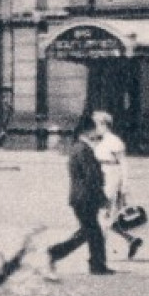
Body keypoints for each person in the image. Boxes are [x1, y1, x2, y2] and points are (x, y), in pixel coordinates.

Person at [48, 115, 114, 276]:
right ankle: (96, 265)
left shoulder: (78, 148)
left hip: (80, 197)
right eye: (94, 128)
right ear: (87, 130)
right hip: (86, 197)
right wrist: (102, 198)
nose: (96, 132)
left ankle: (56, 253)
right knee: (94, 232)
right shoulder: (84, 150)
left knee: (88, 231)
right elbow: (91, 177)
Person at [91, 111, 142, 260]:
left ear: (103, 124)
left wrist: (125, 184)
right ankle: (130, 240)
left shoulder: (114, 141)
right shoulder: (98, 141)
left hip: (111, 177)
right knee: (106, 217)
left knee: (104, 214)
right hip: (100, 177)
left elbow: (123, 163)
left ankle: (100, 253)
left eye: (96, 124)